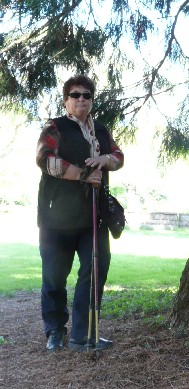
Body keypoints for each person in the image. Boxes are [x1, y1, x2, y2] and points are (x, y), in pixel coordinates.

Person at [36, 75, 124, 352]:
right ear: (66, 101)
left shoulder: (100, 130)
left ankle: (83, 333)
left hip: (93, 217)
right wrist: (84, 174)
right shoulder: (55, 127)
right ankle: (54, 330)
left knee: (96, 269)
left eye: (87, 95)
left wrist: (106, 160)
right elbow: (44, 159)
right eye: (75, 95)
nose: (81, 99)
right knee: (54, 276)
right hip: (56, 218)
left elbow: (119, 156)